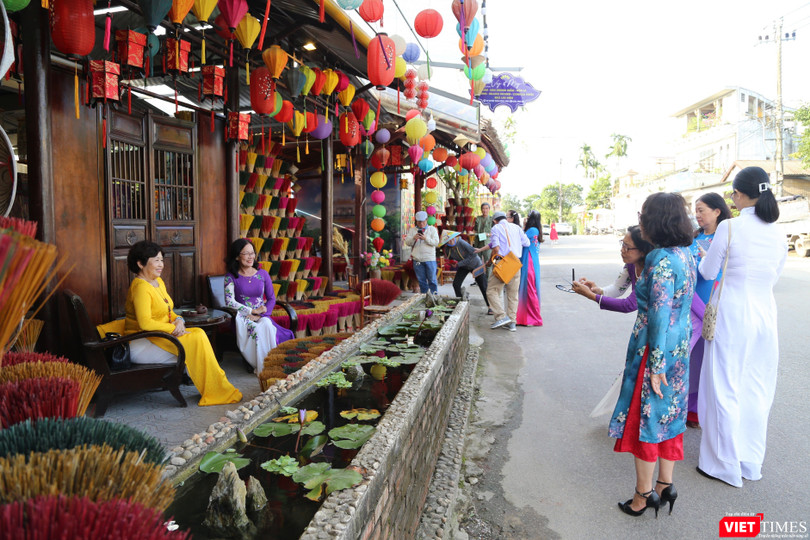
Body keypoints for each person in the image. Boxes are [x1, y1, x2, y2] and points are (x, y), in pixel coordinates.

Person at [696, 166, 787, 488]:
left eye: (733, 193)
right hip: (765, 314)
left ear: (742, 194)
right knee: (757, 387)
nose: (733, 199)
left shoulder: (730, 227)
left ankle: (722, 464)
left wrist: (706, 256)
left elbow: (707, 272)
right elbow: (774, 275)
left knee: (724, 385)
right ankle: (750, 461)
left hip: (733, 313)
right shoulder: (779, 232)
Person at [611, 193, 695, 518]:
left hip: (655, 352)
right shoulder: (686, 253)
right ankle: (665, 485)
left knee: (646, 420)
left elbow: (659, 315)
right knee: (669, 416)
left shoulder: (660, 260)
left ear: (655, 221)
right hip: (679, 350)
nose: (640, 219)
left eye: (643, 214)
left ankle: (642, 496)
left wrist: (656, 367)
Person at [124, 241, 242, 406]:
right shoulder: (140, 288)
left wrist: (179, 320)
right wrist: (173, 328)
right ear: (140, 263)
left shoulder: (158, 282)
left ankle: (217, 388)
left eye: (162, 260)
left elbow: (168, 310)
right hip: (142, 342)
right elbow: (145, 324)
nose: (161, 265)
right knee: (196, 340)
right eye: (156, 260)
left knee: (199, 334)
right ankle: (216, 390)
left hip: (160, 336)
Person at [686, 193, 732, 428]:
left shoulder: (727, 237)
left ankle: (697, 411)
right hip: (690, 303)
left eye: (702, 209)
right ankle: (686, 406)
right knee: (690, 359)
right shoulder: (693, 237)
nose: (698, 214)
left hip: (711, 305)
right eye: (696, 210)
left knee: (706, 360)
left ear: (717, 211)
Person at [224, 239, 295, 374]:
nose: (251, 257)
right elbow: (229, 301)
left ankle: (271, 364)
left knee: (267, 324)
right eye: (246, 253)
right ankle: (262, 367)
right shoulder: (231, 277)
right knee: (257, 330)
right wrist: (251, 311)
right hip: (242, 317)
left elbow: (271, 298)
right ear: (237, 256)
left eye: (252, 253)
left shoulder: (262, 274)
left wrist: (260, 314)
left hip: (262, 315)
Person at [571, 225, 654, 313]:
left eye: (627, 247)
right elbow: (618, 288)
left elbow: (629, 305)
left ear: (642, 251)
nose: (622, 250)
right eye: (622, 244)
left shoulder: (652, 272)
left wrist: (590, 295)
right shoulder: (631, 265)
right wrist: (598, 291)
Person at [479, 211, 529, 332]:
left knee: (491, 290)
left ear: (495, 220)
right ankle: (512, 322)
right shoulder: (516, 227)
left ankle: (501, 316)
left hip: (503, 263)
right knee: (513, 294)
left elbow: (496, 248)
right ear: (505, 219)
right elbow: (526, 243)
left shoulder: (496, 228)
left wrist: (490, 263)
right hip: (516, 263)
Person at [438, 229, 490, 311]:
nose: (450, 242)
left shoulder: (461, 243)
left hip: (476, 265)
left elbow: (473, 254)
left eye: (450, 239)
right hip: (464, 266)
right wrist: (451, 262)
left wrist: (459, 264)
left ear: (453, 237)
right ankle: (460, 302)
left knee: (483, 286)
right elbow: (451, 259)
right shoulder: (447, 249)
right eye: (447, 241)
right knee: (456, 284)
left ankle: (490, 306)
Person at [515, 210, 543, 326]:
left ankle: (534, 318)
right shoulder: (536, 230)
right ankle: (525, 318)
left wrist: (524, 225)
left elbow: (520, 238)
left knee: (529, 288)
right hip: (532, 260)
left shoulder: (532, 230)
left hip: (529, 261)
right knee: (529, 288)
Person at [404, 210, 439, 294]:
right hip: (417, 260)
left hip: (429, 259)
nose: (421, 223)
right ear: (416, 221)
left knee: (432, 280)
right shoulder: (413, 230)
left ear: (426, 220)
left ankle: (434, 297)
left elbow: (436, 243)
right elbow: (407, 243)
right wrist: (413, 238)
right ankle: (424, 298)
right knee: (421, 281)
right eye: (419, 222)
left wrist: (426, 238)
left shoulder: (432, 229)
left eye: (423, 221)